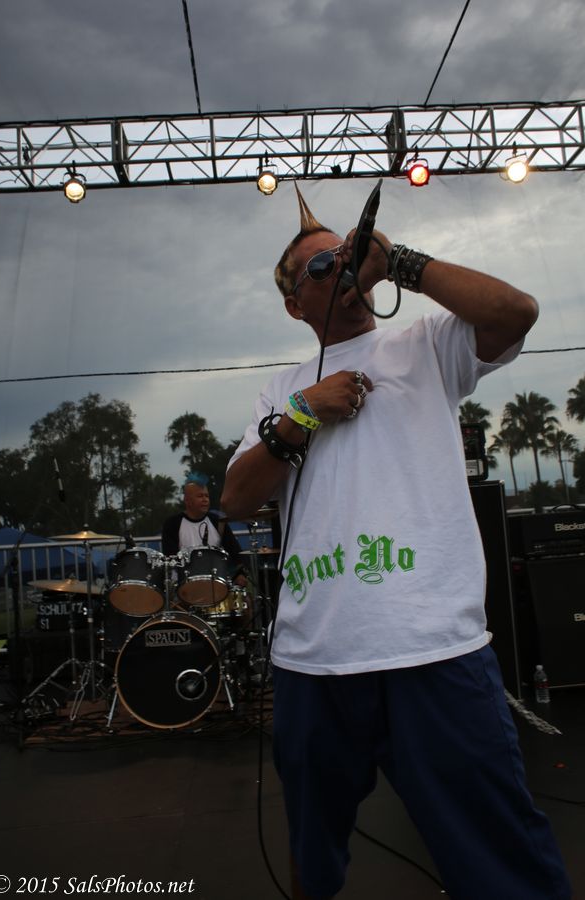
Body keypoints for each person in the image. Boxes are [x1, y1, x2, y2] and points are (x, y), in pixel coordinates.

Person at [220, 185, 572, 900]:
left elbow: (516, 312)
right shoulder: (282, 390)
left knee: (501, 859)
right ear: (293, 304)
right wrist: (300, 415)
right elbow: (235, 498)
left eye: (346, 254)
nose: (342, 269)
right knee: (313, 852)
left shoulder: (425, 345)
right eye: (321, 267)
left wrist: (401, 261)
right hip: (314, 662)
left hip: (433, 652)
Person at [162, 478, 247, 597]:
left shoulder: (218, 522)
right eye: (200, 496)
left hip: (218, 584)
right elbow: (170, 558)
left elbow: (236, 552)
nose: (205, 499)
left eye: (207, 496)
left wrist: (240, 574)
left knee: (245, 602)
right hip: (185, 587)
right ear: (187, 500)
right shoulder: (172, 524)